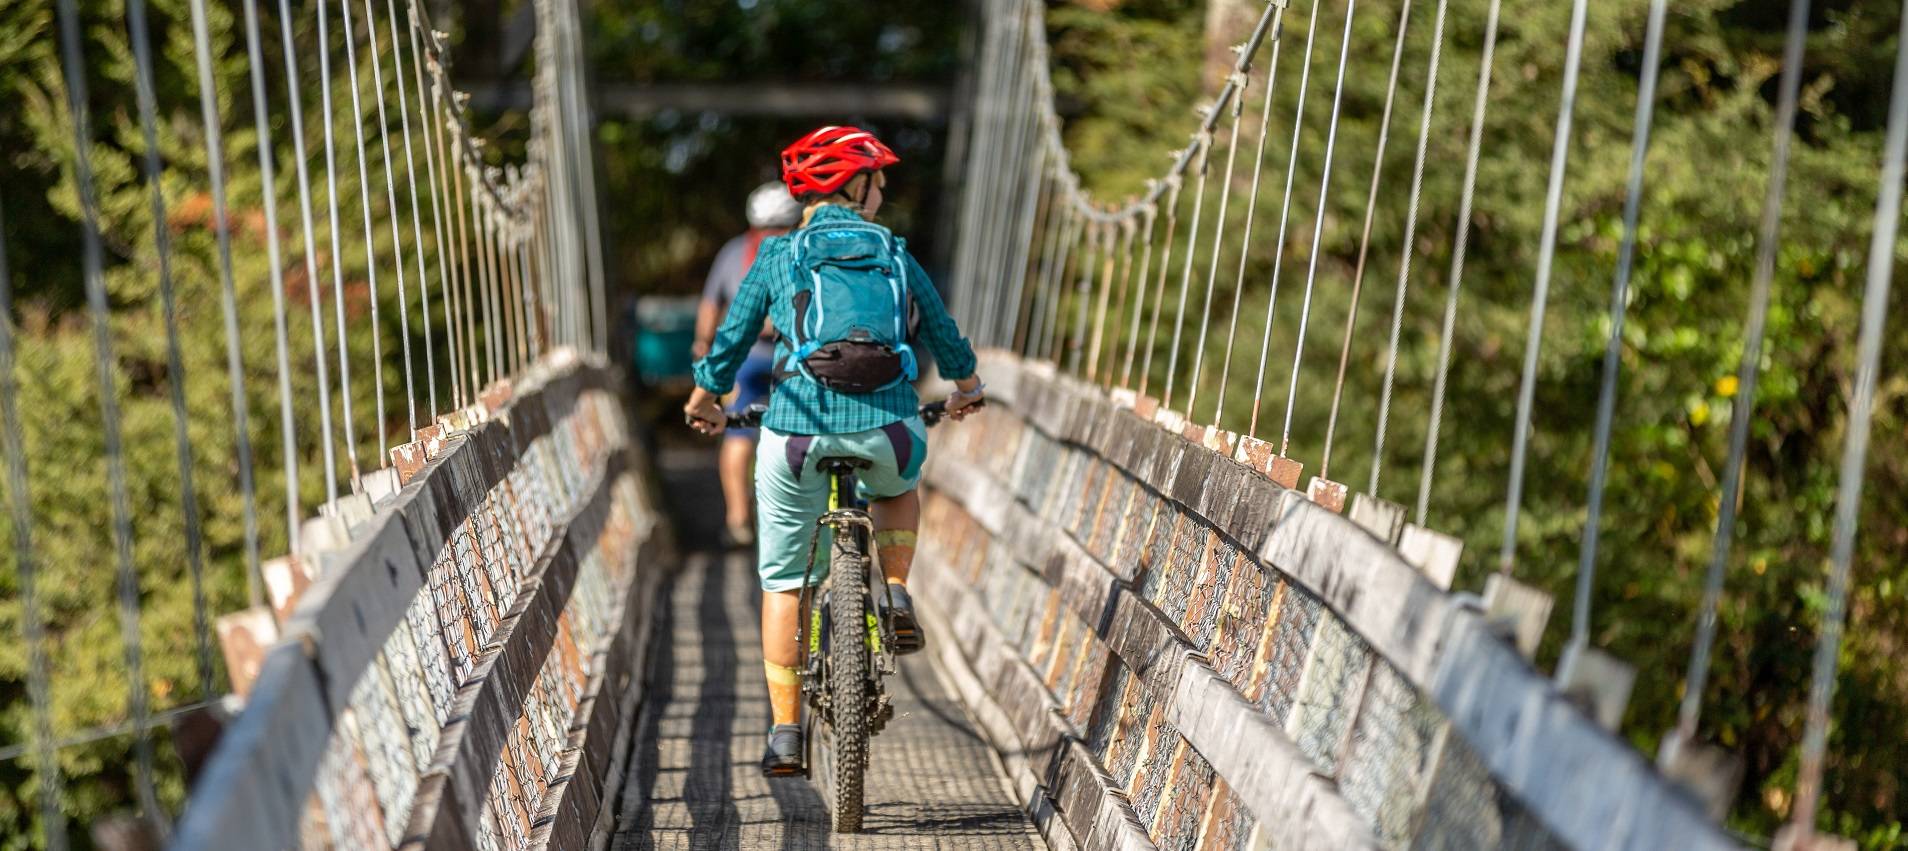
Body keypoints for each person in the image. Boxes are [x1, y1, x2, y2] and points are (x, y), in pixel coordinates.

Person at [683, 126, 985, 776]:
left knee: (785, 580)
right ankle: (897, 590)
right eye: (878, 180)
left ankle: (785, 731)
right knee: (899, 487)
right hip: (890, 428)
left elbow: (733, 339)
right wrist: (967, 387)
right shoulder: (897, 254)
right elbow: (945, 336)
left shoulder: (779, 254)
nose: (883, 192)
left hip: (796, 432)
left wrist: (707, 397)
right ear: (856, 186)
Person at [693, 181, 805, 548]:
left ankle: (738, 520)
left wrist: (703, 348)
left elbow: (711, 304)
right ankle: (798, 521)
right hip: (794, 359)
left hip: (743, 360)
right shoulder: (803, 249)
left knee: (738, 435)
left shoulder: (735, 251)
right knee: (802, 433)